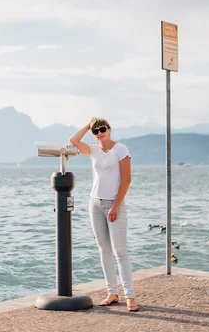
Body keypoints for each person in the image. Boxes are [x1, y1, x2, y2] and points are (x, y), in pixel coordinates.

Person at [69, 117, 138, 312]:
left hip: (114, 204)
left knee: (120, 252)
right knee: (104, 250)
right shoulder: (93, 150)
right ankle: (112, 292)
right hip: (95, 203)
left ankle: (130, 296)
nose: (99, 133)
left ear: (109, 129)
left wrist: (115, 206)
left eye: (102, 129)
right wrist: (87, 124)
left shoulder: (120, 149)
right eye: (96, 131)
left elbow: (126, 180)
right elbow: (73, 141)